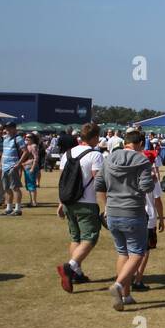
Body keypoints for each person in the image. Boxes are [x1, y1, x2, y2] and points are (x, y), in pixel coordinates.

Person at [95, 129, 156, 311]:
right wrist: (151, 179)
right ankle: (119, 285)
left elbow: (99, 184)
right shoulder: (142, 160)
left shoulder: (109, 159)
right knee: (137, 253)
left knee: (123, 253)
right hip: (133, 211)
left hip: (112, 212)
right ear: (140, 144)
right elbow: (145, 187)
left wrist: (105, 207)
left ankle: (126, 295)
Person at [56, 123, 106, 294]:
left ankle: (77, 272)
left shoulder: (67, 154)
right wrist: (104, 206)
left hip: (69, 200)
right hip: (87, 201)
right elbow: (99, 183)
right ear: (93, 137)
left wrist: (61, 202)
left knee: (75, 236)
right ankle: (70, 267)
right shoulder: (95, 155)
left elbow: (62, 180)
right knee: (90, 238)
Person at [132, 148, 165, 292]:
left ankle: (128, 276)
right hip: (149, 217)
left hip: (132, 214)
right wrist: (161, 219)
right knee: (145, 250)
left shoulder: (131, 175)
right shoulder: (153, 179)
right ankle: (138, 279)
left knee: (131, 249)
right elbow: (157, 201)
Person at [0, 122, 24, 216]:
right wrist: (0, 166)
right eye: (6, 128)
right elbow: (3, 153)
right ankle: (9, 208)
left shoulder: (18, 138)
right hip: (4, 166)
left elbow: (25, 151)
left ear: (14, 129)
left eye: (9, 128)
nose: (7, 130)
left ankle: (18, 209)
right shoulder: (5, 139)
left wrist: (19, 163)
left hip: (12, 166)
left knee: (15, 187)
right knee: (6, 188)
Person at [21, 133, 42, 208]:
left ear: (33, 138)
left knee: (31, 184)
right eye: (26, 136)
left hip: (30, 167)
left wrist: (33, 168)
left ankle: (34, 202)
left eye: (29, 137)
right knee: (29, 184)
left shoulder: (33, 146)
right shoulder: (28, 146)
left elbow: (36, 158)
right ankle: (32, 201)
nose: (26, 138)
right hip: (27, 167)